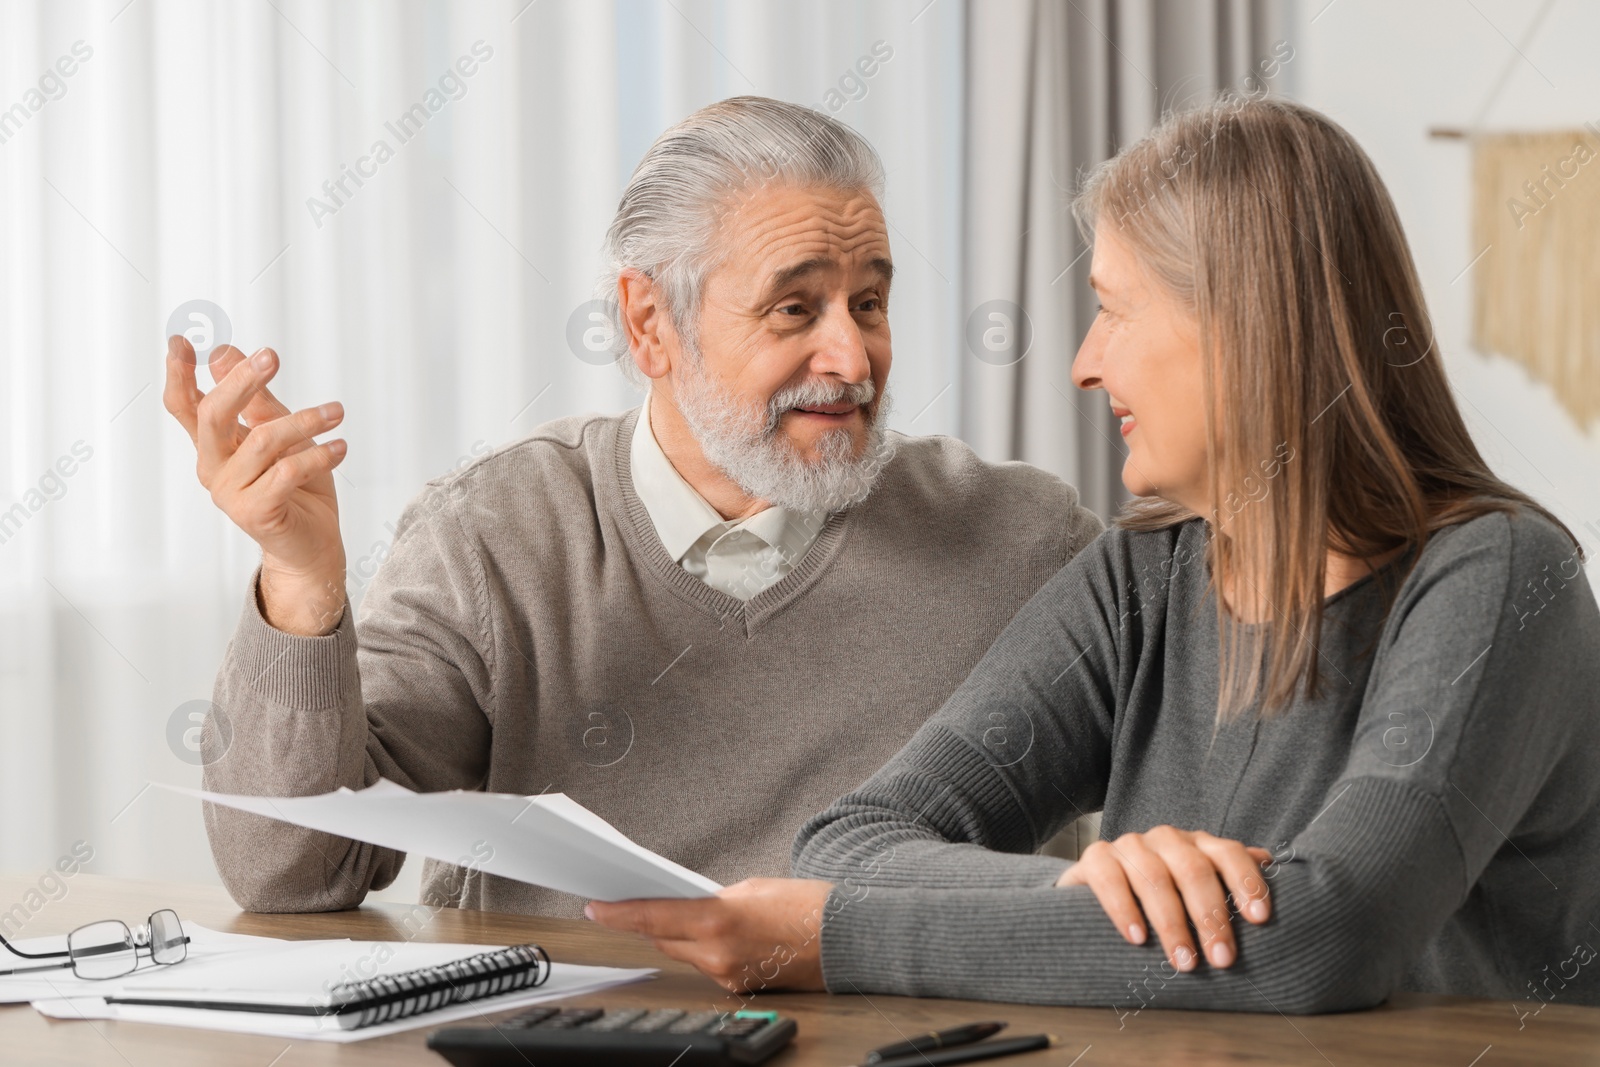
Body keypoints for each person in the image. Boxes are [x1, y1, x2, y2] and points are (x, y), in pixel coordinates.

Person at [587, 94, 1600, 1013]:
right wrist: (1096, 881)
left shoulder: (1500, 581)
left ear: (1244, 326)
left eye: (1114, 309)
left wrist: (833, 938)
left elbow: (1324, 937)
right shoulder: (1137, 580)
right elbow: (851, 841)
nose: (1083, 362)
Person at [161, 96, 1104, 917]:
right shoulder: (493, 533)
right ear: (651, 324)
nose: (853, 360)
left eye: (868, 303)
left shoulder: (1022, 541)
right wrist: (299, 580)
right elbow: (289, 871)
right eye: (794, 310)